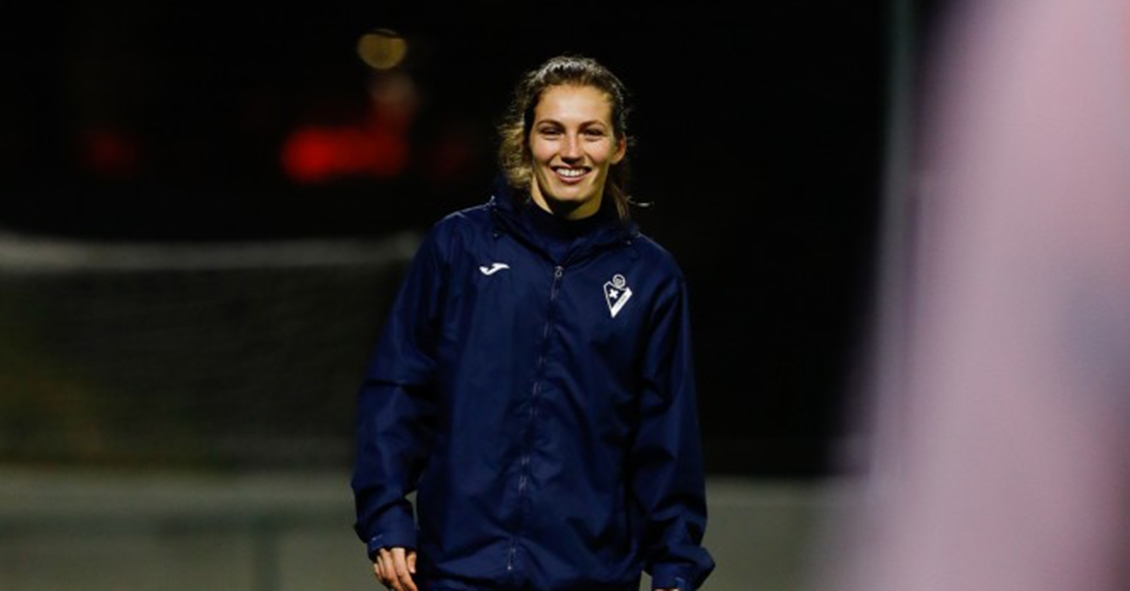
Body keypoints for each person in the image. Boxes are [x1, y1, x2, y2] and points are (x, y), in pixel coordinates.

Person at [351, 55, 714, 591]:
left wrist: (675, 564)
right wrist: (385, 515)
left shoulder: (651, 277)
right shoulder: (458, 247)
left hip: (590, 576)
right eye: (552, 131)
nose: (571, 152)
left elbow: (666, 429)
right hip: (457, 570)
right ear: (525, 142)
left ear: (617, 147)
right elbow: (398, 390)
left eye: (591, 133)